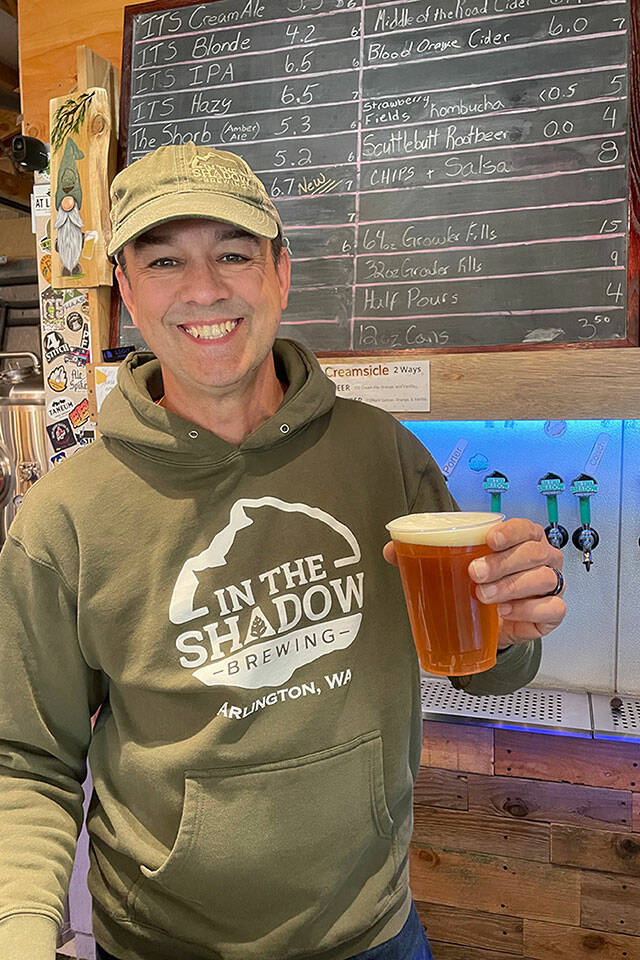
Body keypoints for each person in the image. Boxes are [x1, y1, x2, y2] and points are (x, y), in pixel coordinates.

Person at [0, 143, 566, 960]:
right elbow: (25, 759)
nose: (204, 289)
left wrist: (509, 632)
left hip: (374, 934)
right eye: (164, 261)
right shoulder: (67, 516)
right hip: (162, 945)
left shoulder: (382, 454)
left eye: (234, 254)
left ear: (281, 274)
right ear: (125, 290)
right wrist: (20, 932)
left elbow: (484, 666)